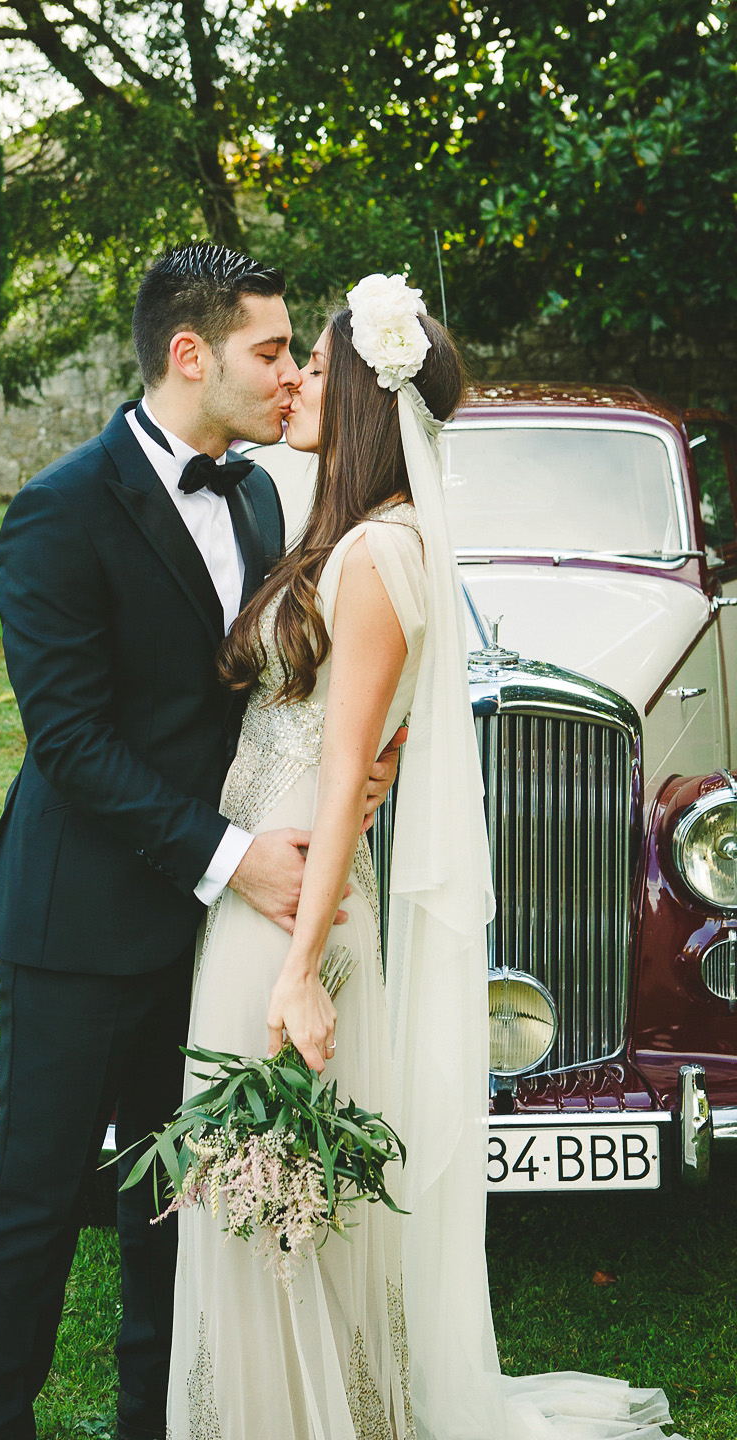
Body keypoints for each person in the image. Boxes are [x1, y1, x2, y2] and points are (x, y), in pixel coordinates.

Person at [167, 275, 685, 1440]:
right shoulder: (363, 538)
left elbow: (349, 765)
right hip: (275, 887)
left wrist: (298, 974)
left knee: (276, 1201)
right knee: (279, 1202)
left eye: (312, 364)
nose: (292, 378)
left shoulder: (372, 558)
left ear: (359, 393)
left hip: (290, 914)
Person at [0, 242, 401, 1440]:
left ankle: (153, 1420)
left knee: (177, 1198)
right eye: (269, 350)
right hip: (82, 919)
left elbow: (272, 691)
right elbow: (71, 742)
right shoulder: (57, 510)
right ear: (189, 354)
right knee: (39, 1195)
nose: (286, 375)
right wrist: (233, 856)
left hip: (209, 936)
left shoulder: (257, 493)